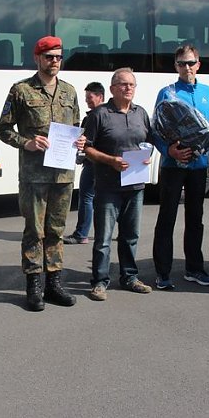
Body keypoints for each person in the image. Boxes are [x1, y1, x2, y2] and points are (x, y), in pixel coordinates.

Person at [0, 35, 84, 311]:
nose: (55, 61)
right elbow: (3, 129)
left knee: (56, 230)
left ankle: (54, 284)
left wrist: (81, 140)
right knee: (34, 231)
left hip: (63, 174)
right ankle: (34, 286)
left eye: (58, 57)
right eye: (49, 57)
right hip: (34, 175)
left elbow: (76, 125)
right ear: (37, 58)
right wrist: (27, 143)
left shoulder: (69, 91)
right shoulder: (21, 90)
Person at [151, 44, 209, 291]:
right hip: (173, 165)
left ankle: (194, 269)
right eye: (182, 63)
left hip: (199, 166)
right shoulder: (167, 93)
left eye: (191, 63)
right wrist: (168, 150)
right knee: (167, 218)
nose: (187, 67)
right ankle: (162, 273)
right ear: (176, 66)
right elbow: (155, 129)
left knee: (195, 219)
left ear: (198, 65)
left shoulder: (208, 93)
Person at [83, 68, 154, 301]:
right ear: (112, 88)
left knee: (130, 235)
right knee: (103, 239)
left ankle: (130, 277)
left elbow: (149, 142)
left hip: (135, 186)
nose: (128, 88)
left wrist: (148, 155)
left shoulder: (140, 113)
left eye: (132, 84)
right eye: (123, 84)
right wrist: (110, 160)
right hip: (108, 186)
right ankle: (99, 282)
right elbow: (87, 148)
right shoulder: (100, 114)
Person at [63, 82, 105, 245]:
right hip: (103, 163)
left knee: (86, 197)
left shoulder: (94, 116)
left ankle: (81, 234)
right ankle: (122, 230)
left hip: (93, 162)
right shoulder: (109, 114)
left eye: (90, 97)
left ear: (100, 96)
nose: (87, 100)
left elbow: (87, 140)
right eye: (86, 97)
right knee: (106, 198)